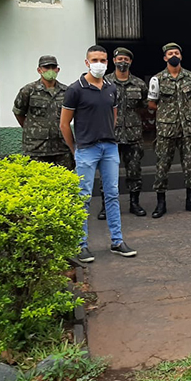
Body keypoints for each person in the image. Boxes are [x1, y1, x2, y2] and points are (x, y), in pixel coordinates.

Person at [60, 45, 136, 263]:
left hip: (109, 147)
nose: (99, 64)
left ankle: (117, 241)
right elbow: (65, 124)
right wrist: (74, 148)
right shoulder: (76, 89)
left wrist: (108, 134)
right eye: (95, 60)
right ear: (86, 62)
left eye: (103, 60)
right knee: (83, 197)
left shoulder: (111, 87)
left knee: (112, 194)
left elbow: (113, 114)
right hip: (86, 149)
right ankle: (81, 245)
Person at [148, 42, 191, 218]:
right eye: (170, 53)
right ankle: (160, 203)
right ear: (165, 57)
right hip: (166, 130)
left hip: (187, 129)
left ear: (181, 56)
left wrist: (187, 112)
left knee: (189, 166)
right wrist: (167, 114)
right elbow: (151, 103)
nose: (174, 55)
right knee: (162, 166)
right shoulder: (157, 79)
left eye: (177, 53)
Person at [99, 47, 148, 219]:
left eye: (126, 59)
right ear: (113, 61)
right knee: (108, 172)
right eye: (119, 58)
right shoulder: (103, 83)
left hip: (133, 136)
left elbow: (143, 107)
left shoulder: (139, 84)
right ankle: (106, 206)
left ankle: (134, 203)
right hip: (110, 135)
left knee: (134, 171)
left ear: (130, 62)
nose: (123, 62)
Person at [12, 55, 74, 170]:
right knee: (37, 182)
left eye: (53, 67)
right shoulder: (29, 90)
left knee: (64, 182)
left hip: (61, 148)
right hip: (36, 148)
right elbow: (18, 112)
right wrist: (31, 129)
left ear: (58, 70)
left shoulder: (67, 91)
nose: (50, 70)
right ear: (39, 70)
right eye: (46, 67)